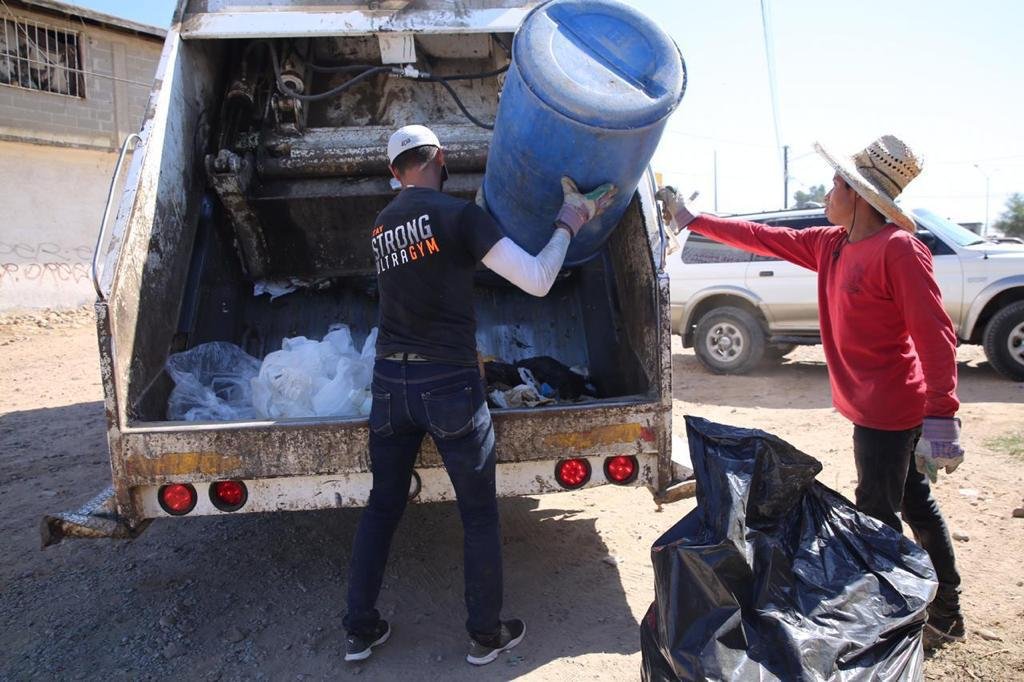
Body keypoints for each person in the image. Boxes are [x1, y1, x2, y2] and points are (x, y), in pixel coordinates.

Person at [658, 135, 966, 649]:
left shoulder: (898, 250)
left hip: (891, 413)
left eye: (835, 184)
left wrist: (942, 416)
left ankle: (897, 622)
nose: (827, 192)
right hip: (872, 410)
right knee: (911, 503)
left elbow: (935, 335)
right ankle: (944, 612)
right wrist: (695, 220)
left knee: (877, 519)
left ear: (860, 195)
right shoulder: (833, 245)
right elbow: (762, 236)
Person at [343, 124, 617, 665]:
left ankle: (359, 629)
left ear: (393, 173)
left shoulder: (381, 225)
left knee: (382, 507)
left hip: (389, 386)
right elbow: (538, 279)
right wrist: (570, 220)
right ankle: (485, 635)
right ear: (440, 158)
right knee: (477, 514)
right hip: (448, 385)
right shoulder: (458, 216)